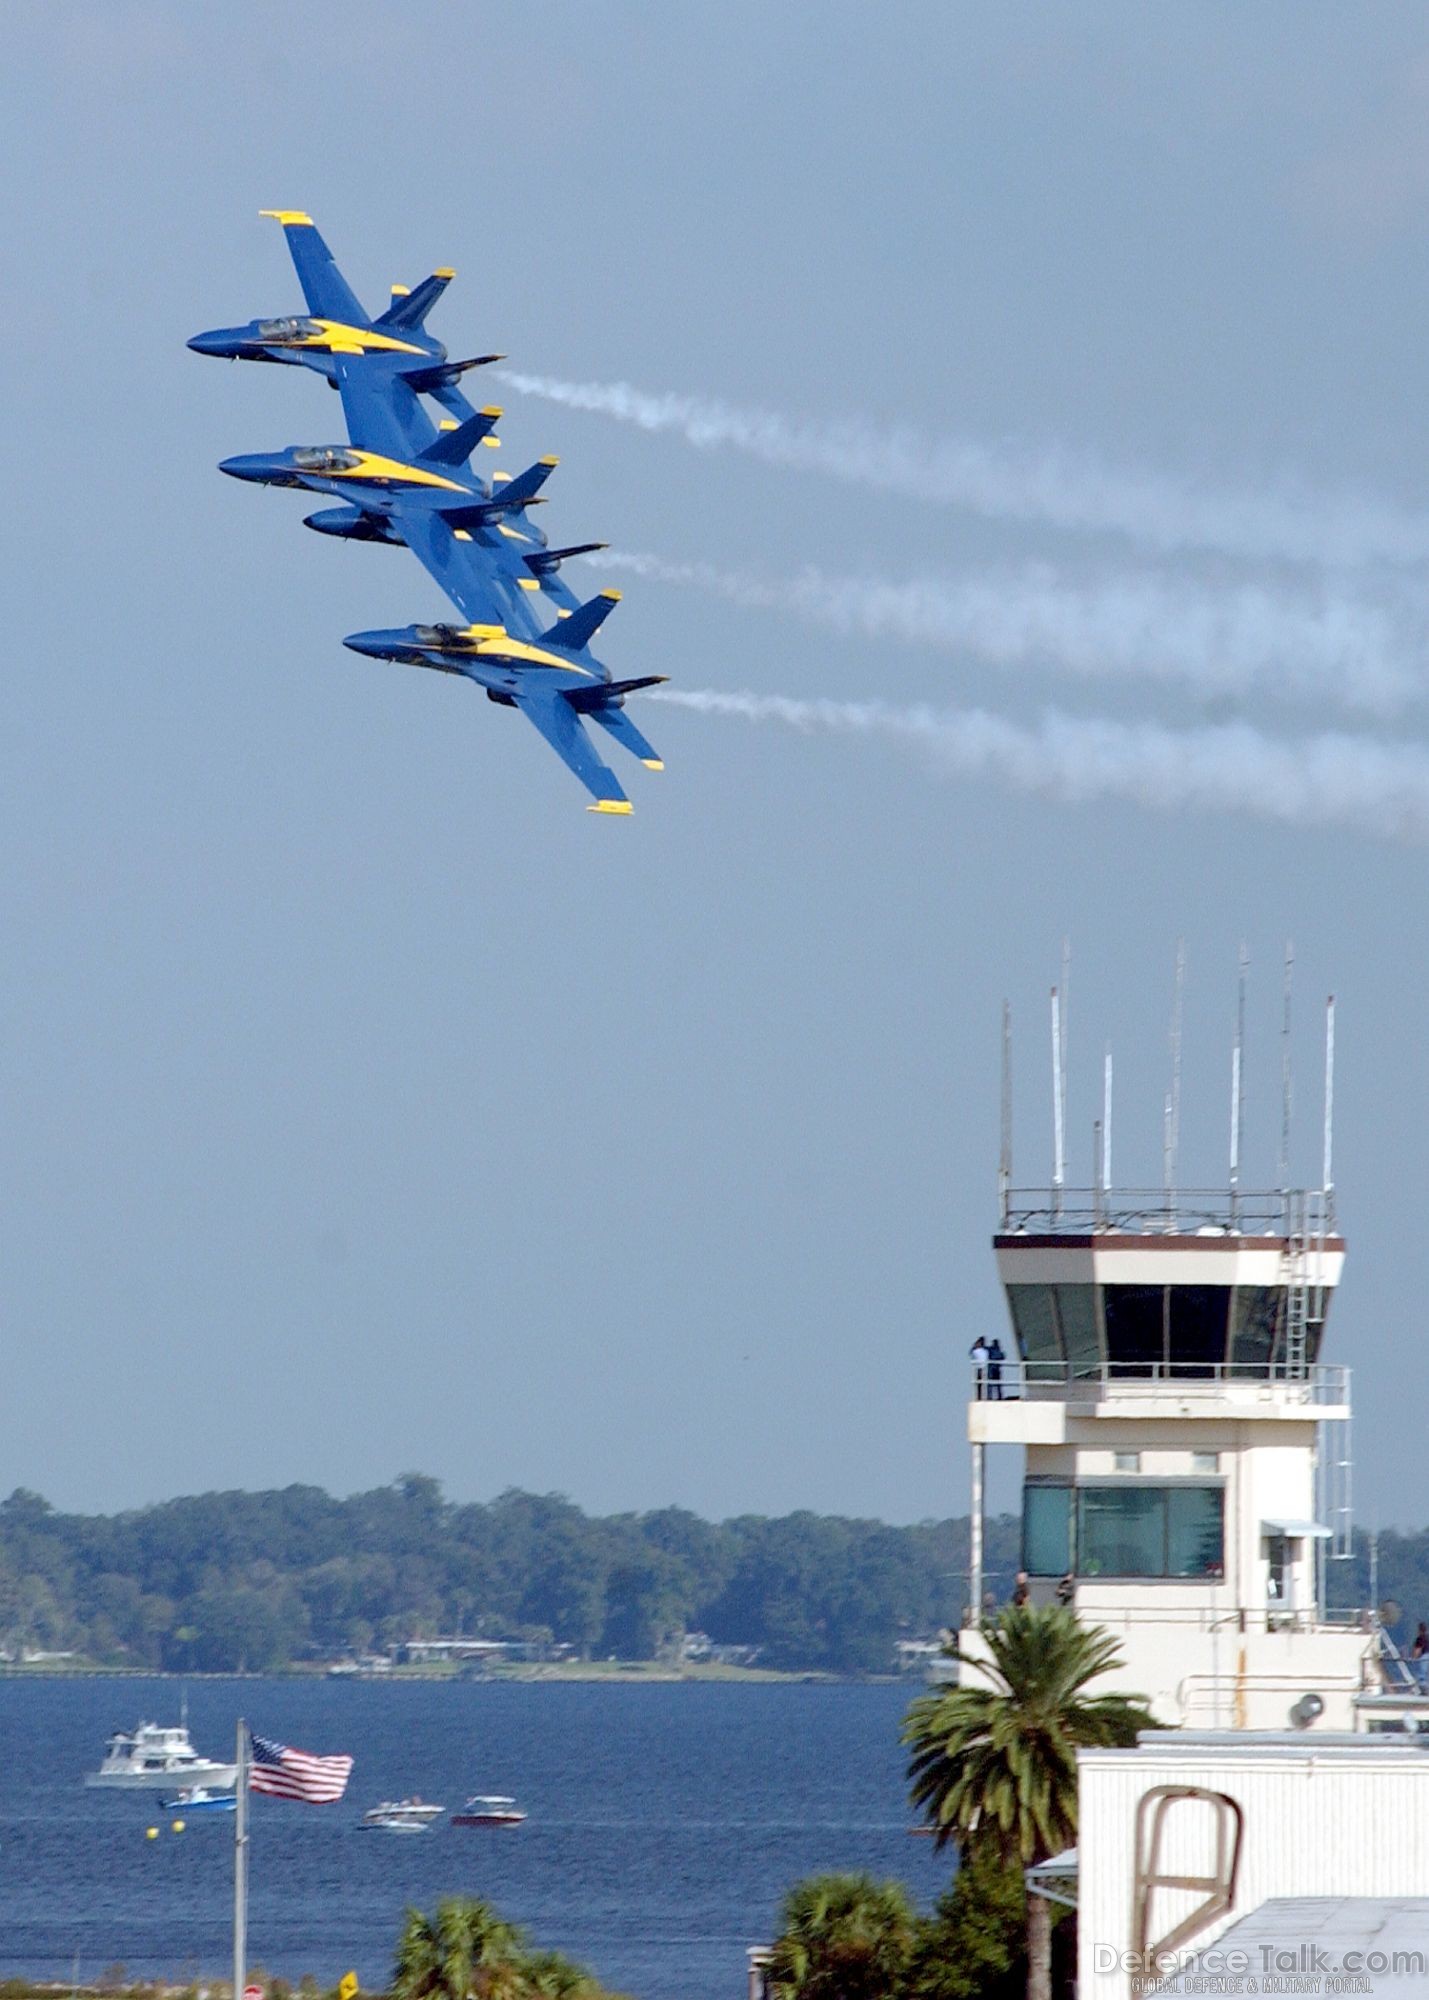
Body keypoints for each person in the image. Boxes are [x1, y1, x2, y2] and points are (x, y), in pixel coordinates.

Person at [1411, 1621, 1429, 1690]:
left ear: (1419, 1629)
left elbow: (1418, 1649)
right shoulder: (1427, 1637)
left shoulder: (1420, 1638)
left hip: (1424, 1656)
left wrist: (1413, 1658)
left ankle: (1423, 1688)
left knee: (1422, 1673)